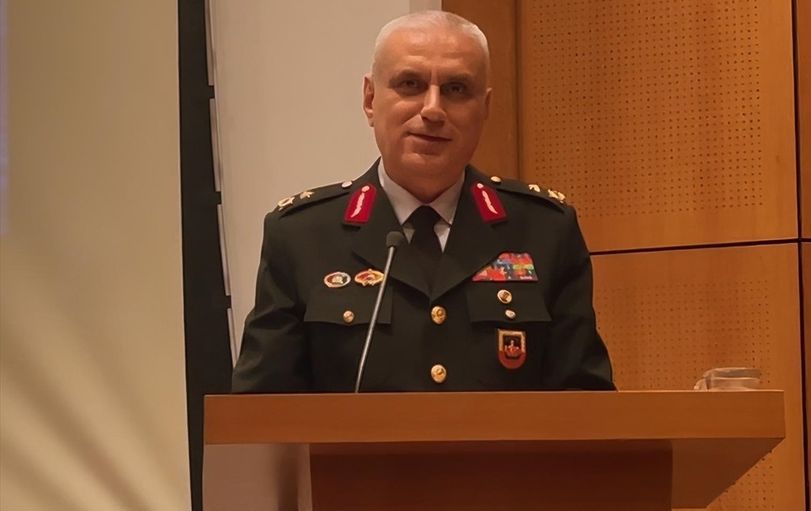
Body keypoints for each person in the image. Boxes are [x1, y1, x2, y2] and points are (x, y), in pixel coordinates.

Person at [231, 11, 614, 393]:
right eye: (410, 85)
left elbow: (586, 406)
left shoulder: (544, 230)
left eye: (456, 89)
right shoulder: (302, 236)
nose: (432, 109)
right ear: (370, 99)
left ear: (485, 108)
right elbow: (259, 413)